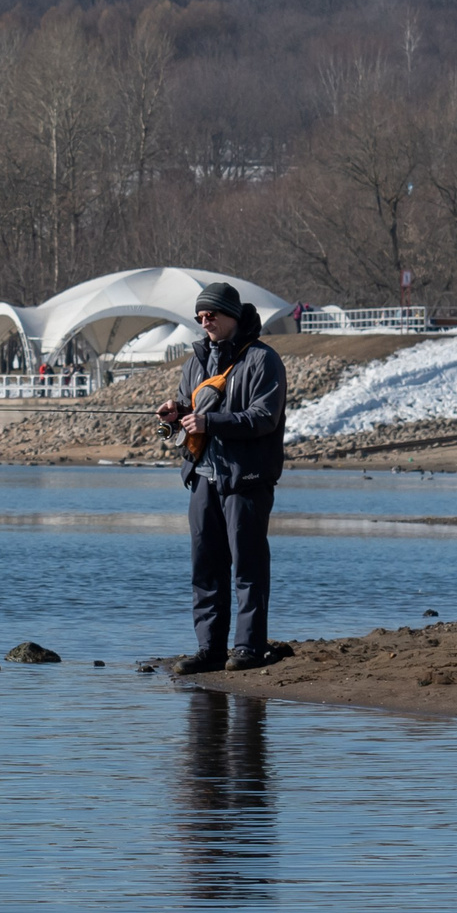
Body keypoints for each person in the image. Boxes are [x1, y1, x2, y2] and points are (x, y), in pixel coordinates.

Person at [156, 282, 289, 672]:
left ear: (232, 314)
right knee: (205, 568)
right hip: (201, 478)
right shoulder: (194, 363)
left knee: (248, 566)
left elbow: (263, 418)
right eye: (199, 316)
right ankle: (210, 649)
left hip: (247, 479)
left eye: (211, 314)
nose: (204, 321)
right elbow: (187, 420)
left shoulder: (264, 360)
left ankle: (248, 647)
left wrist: (209, 421)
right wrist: (174, 417)